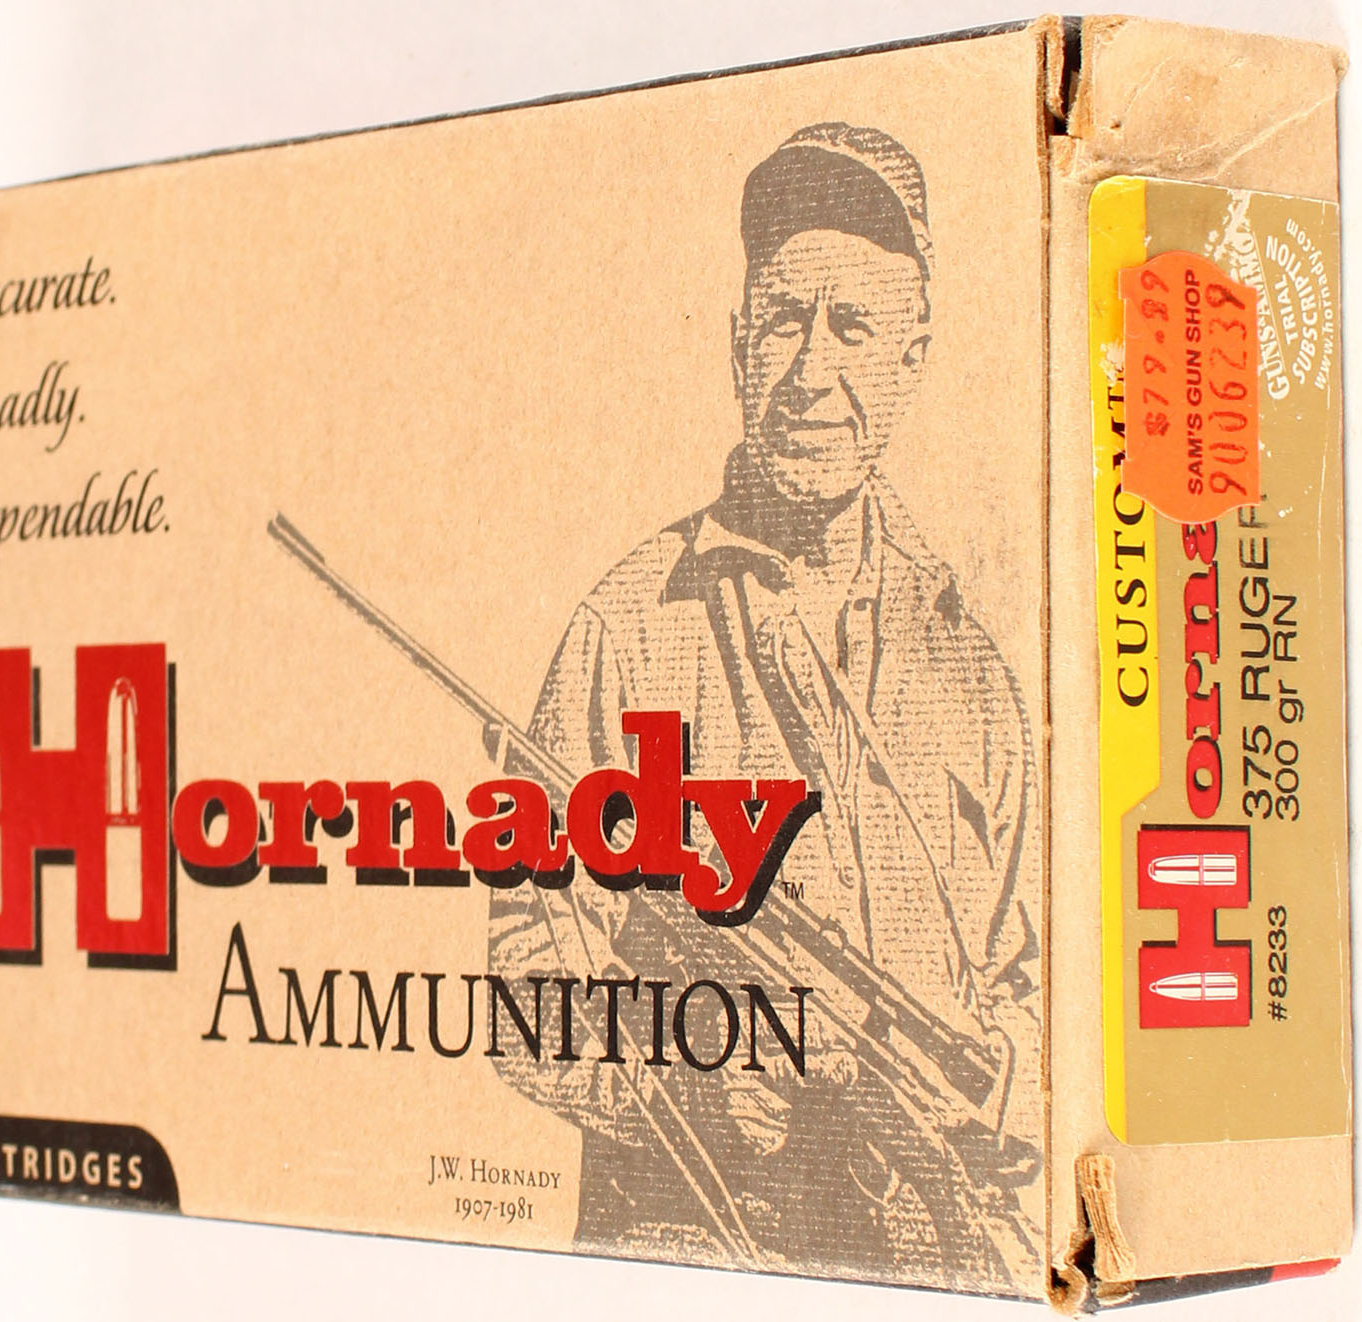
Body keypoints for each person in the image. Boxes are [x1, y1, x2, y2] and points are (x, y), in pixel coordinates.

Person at [488, 122, 1041, 1292]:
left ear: (914, 353)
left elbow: (1022, 980)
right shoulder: (630, 628)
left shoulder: (972, 670)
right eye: (786, 321)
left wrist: (998, 1077)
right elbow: (523, 976)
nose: (811, 370)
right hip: (690, 1252)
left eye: (853, 328)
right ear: (738, 343)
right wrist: (694, 1061)